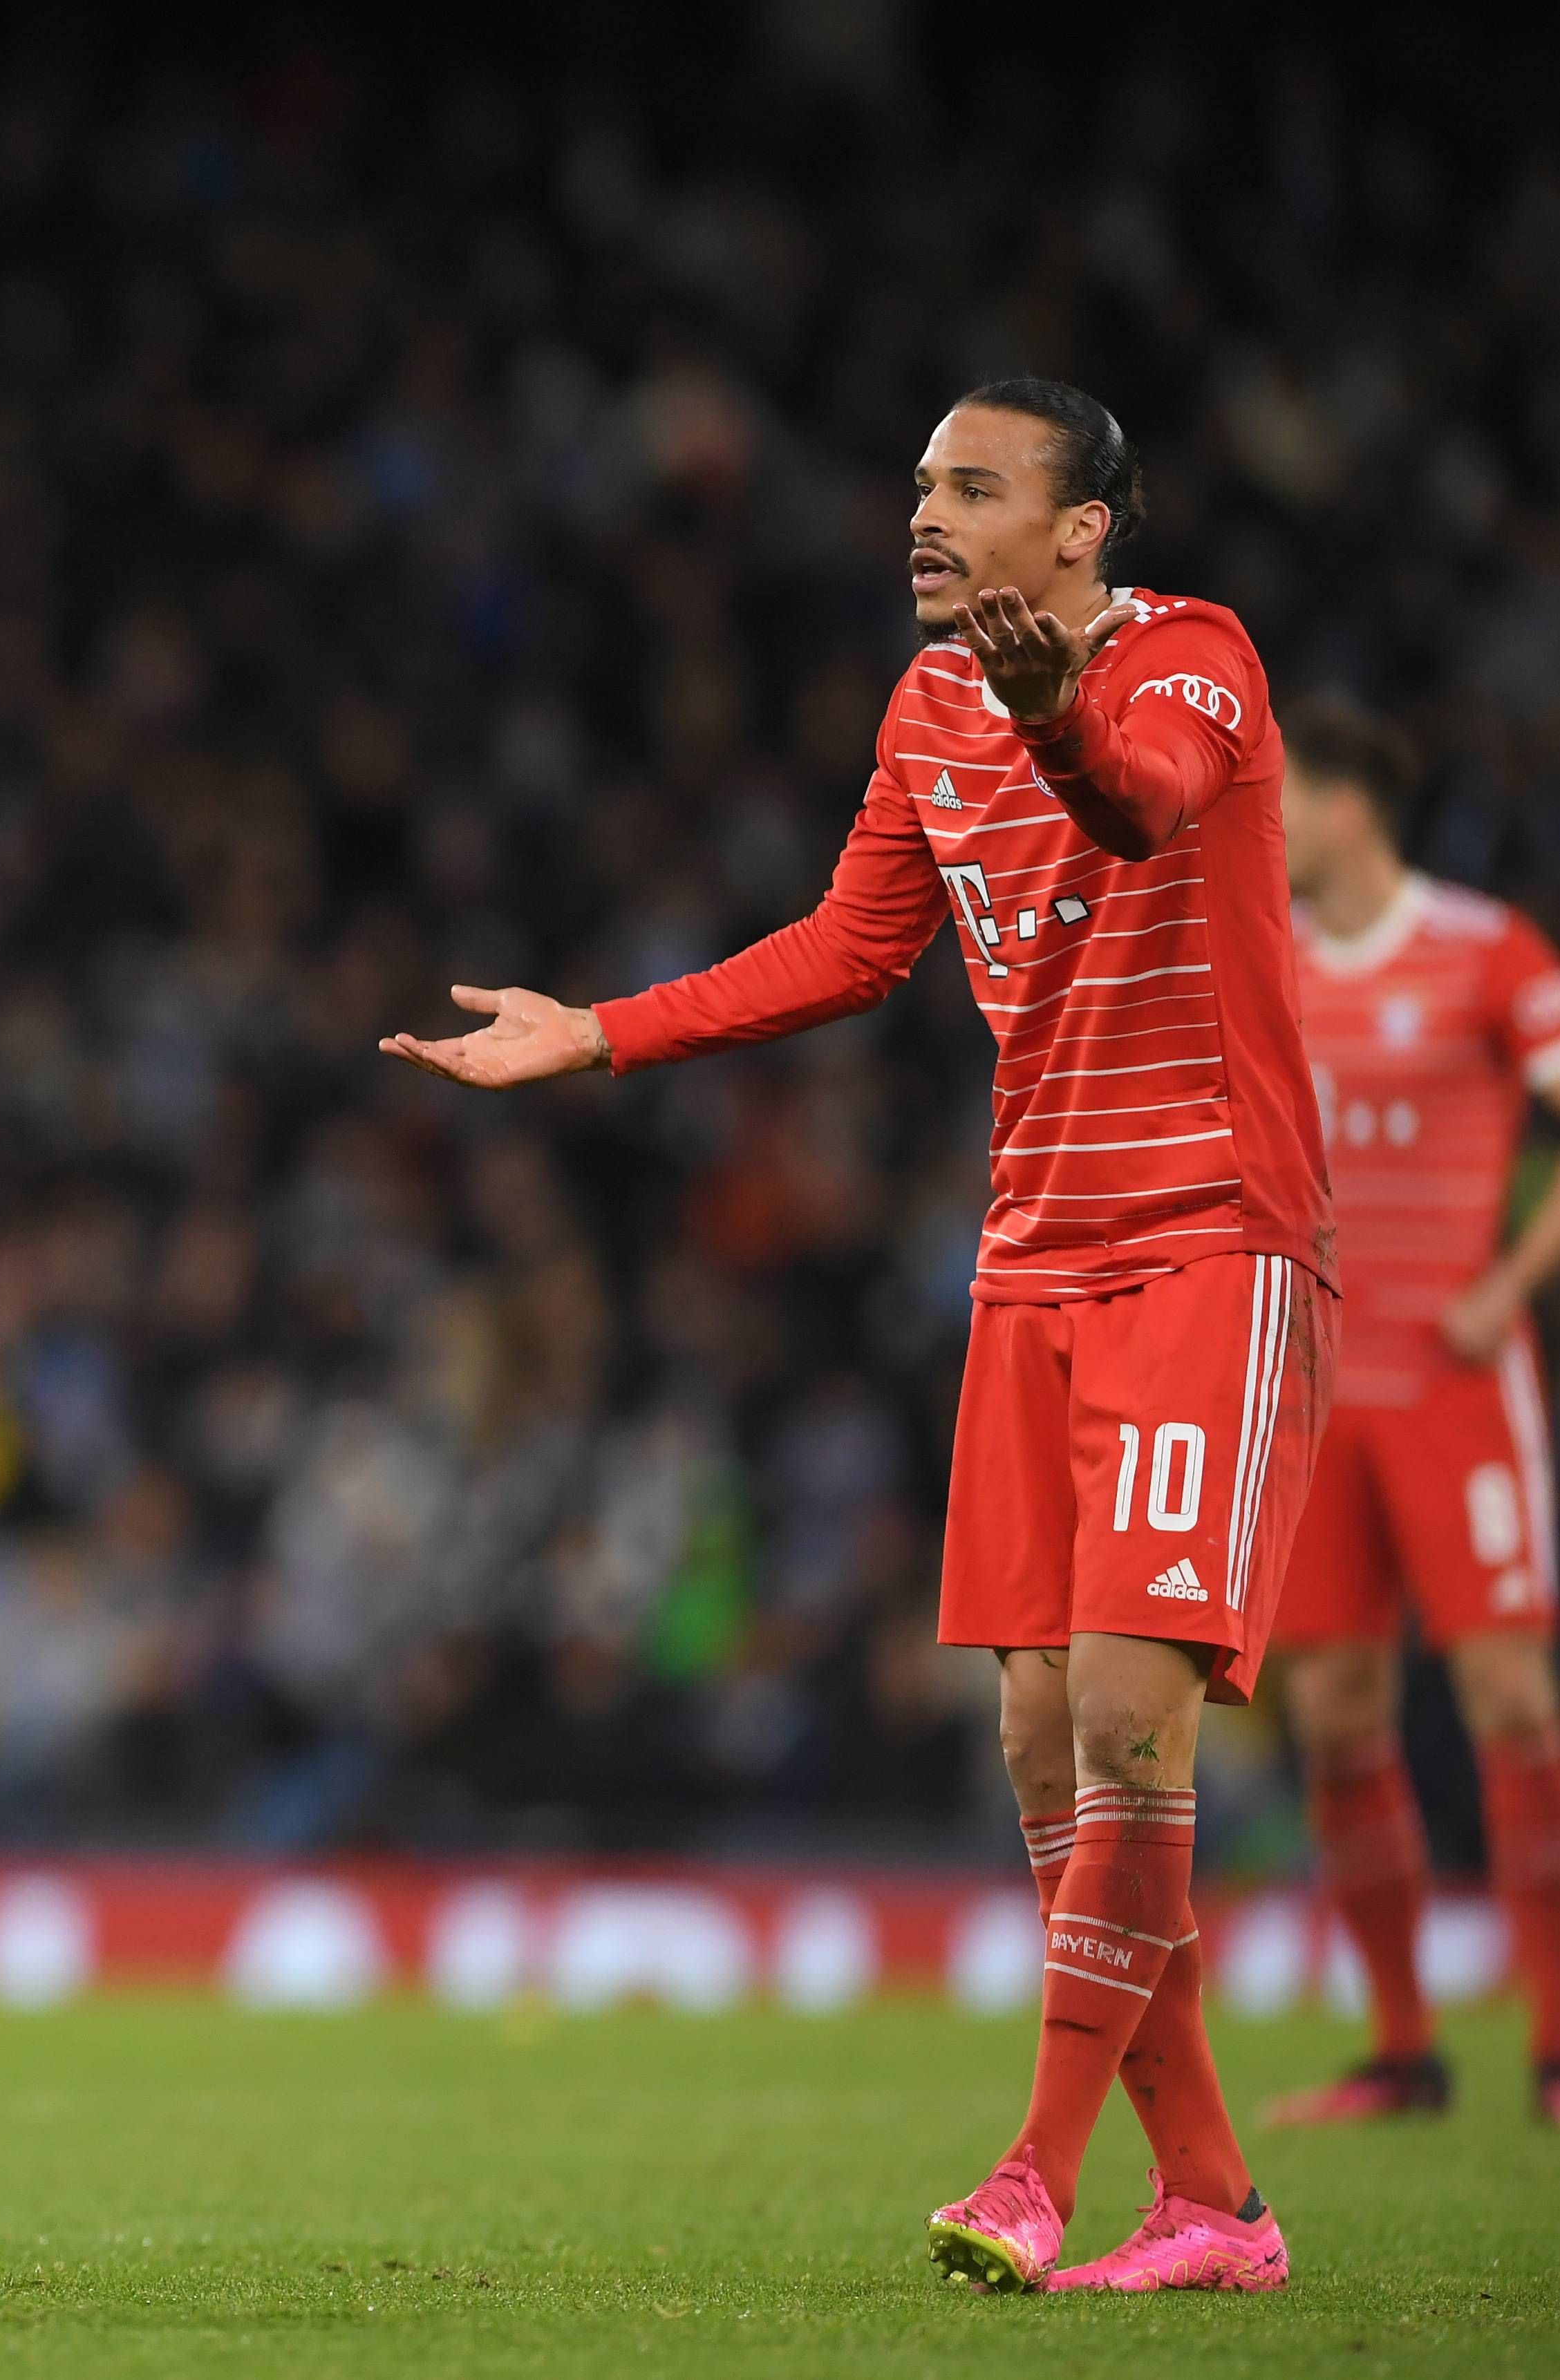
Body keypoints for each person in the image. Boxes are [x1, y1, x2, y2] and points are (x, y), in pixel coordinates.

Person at [385, 379, 1332, 2295]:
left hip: (1205, 1242)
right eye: (917, 485)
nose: (925, 514)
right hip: (1029, 1260)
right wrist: (603, 1029)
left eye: (975, 488)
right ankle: (1217, 2200)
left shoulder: (1191, 659)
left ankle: (1034, 2172)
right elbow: (848, 944)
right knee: (1039, 1731)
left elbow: (1142, 812)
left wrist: (1052, 707)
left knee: (1133, 1717)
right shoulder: (922, 707)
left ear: (1082, 529)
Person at [1263, 697, 1560, 2127]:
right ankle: (1401, 2048)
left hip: (1450, 1386)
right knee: (1330, 1713)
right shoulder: (1257, 964)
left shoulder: (1482, 949)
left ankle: (1556, 2045)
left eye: (1275, 797)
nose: (1254, 825)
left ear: (1344, 808)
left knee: (1511, 1699)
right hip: (1312, 1394)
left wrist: (1506, 1285)